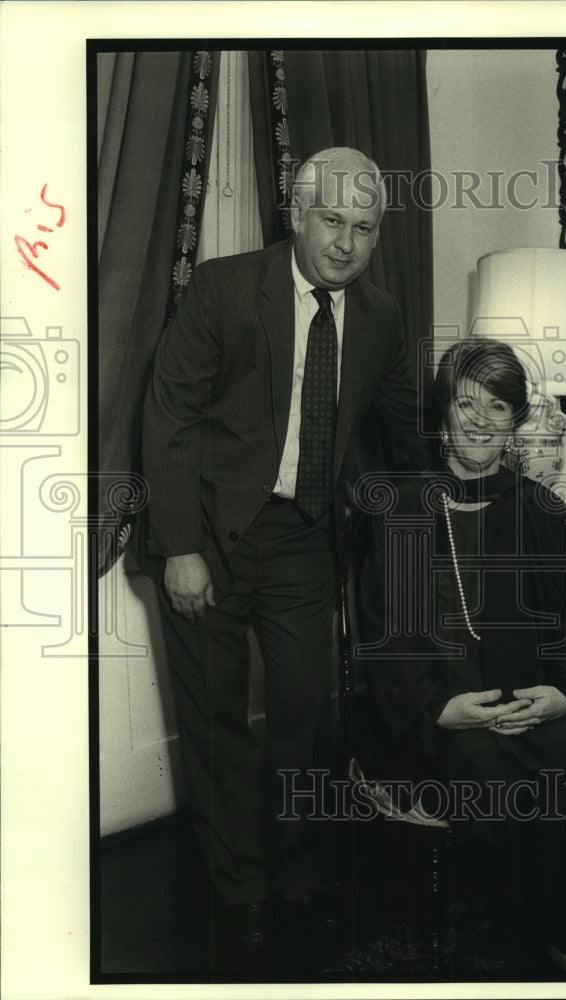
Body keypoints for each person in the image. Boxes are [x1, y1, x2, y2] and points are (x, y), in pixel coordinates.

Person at [138, 147, 427, 952]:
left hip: (304, 538)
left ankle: (297, 877)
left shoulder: (379, 317)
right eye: (332, 220)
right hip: (211, 534)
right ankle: (240, 888)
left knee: (306, 711)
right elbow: (169, 419)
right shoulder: (226, 288)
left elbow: (409, 432)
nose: (346, 243)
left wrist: (482, 463)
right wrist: (181, 549)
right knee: (218, 718)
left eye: (364, 228)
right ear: (296, 215)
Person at [355, 338, 566, 971]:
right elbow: (386, 634)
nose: (478, 419)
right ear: (442, 411)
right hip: (439, 715)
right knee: (505, 785)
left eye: (497, 406)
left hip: (531, 700)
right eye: (464, 402)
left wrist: (560, 693)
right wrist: (440, 710)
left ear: (514, 423)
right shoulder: (403, 511)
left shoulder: (541, 510)